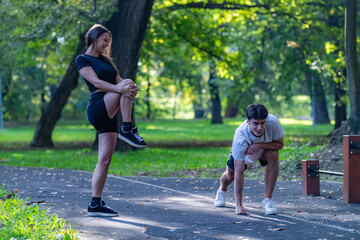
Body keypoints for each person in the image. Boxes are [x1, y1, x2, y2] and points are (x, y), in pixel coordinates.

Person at [75, 24, 146, 217]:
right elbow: (96, 83)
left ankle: (95, 204)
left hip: (110, 107)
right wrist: (123, 88)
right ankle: (127, 128)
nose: (107, 45)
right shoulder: (82, 59)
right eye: (104, 40)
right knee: (126, 84)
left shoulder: (106, 61)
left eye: (109, 42)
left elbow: (119, 81)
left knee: (104, 160)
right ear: (94, 38)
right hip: (98, 106)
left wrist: (129, 89)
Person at [214, 103, 284, 215]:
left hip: (263, 148)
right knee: (230, 175)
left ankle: (267, 200)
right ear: (248, 122)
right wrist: (239, 206)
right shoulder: (240, 136)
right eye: (255, 124)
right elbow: (239, 172)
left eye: (262, 123)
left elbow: (280, 144)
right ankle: (222, 189)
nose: (259, 127)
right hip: (245, 152)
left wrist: (260, 145)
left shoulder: (273, 122)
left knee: (274, 155)